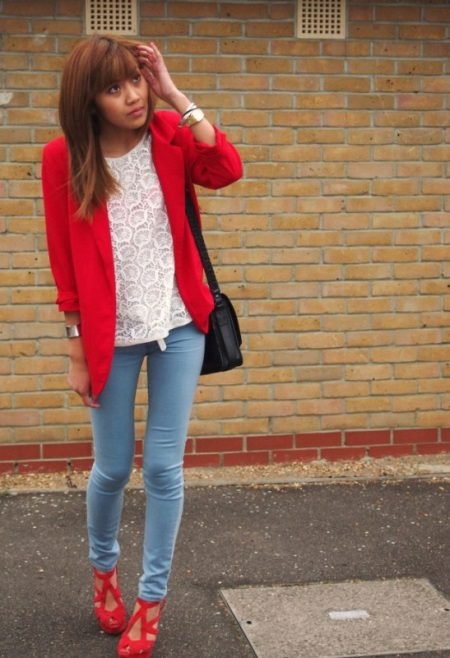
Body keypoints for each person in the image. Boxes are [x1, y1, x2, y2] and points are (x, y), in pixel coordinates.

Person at [41, 34, 242, 658]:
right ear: (88, 100)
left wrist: (173, 93)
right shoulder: (63, 158)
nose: (131, 96)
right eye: (114, 87)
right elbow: (63, 260)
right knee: (111, 468)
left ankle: (151, 600)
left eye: (135, 80)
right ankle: (104, 572)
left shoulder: (168, 134)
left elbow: (226, 169)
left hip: (179, 325)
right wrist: (76, 349)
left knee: (161, 468)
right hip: (111, 338)